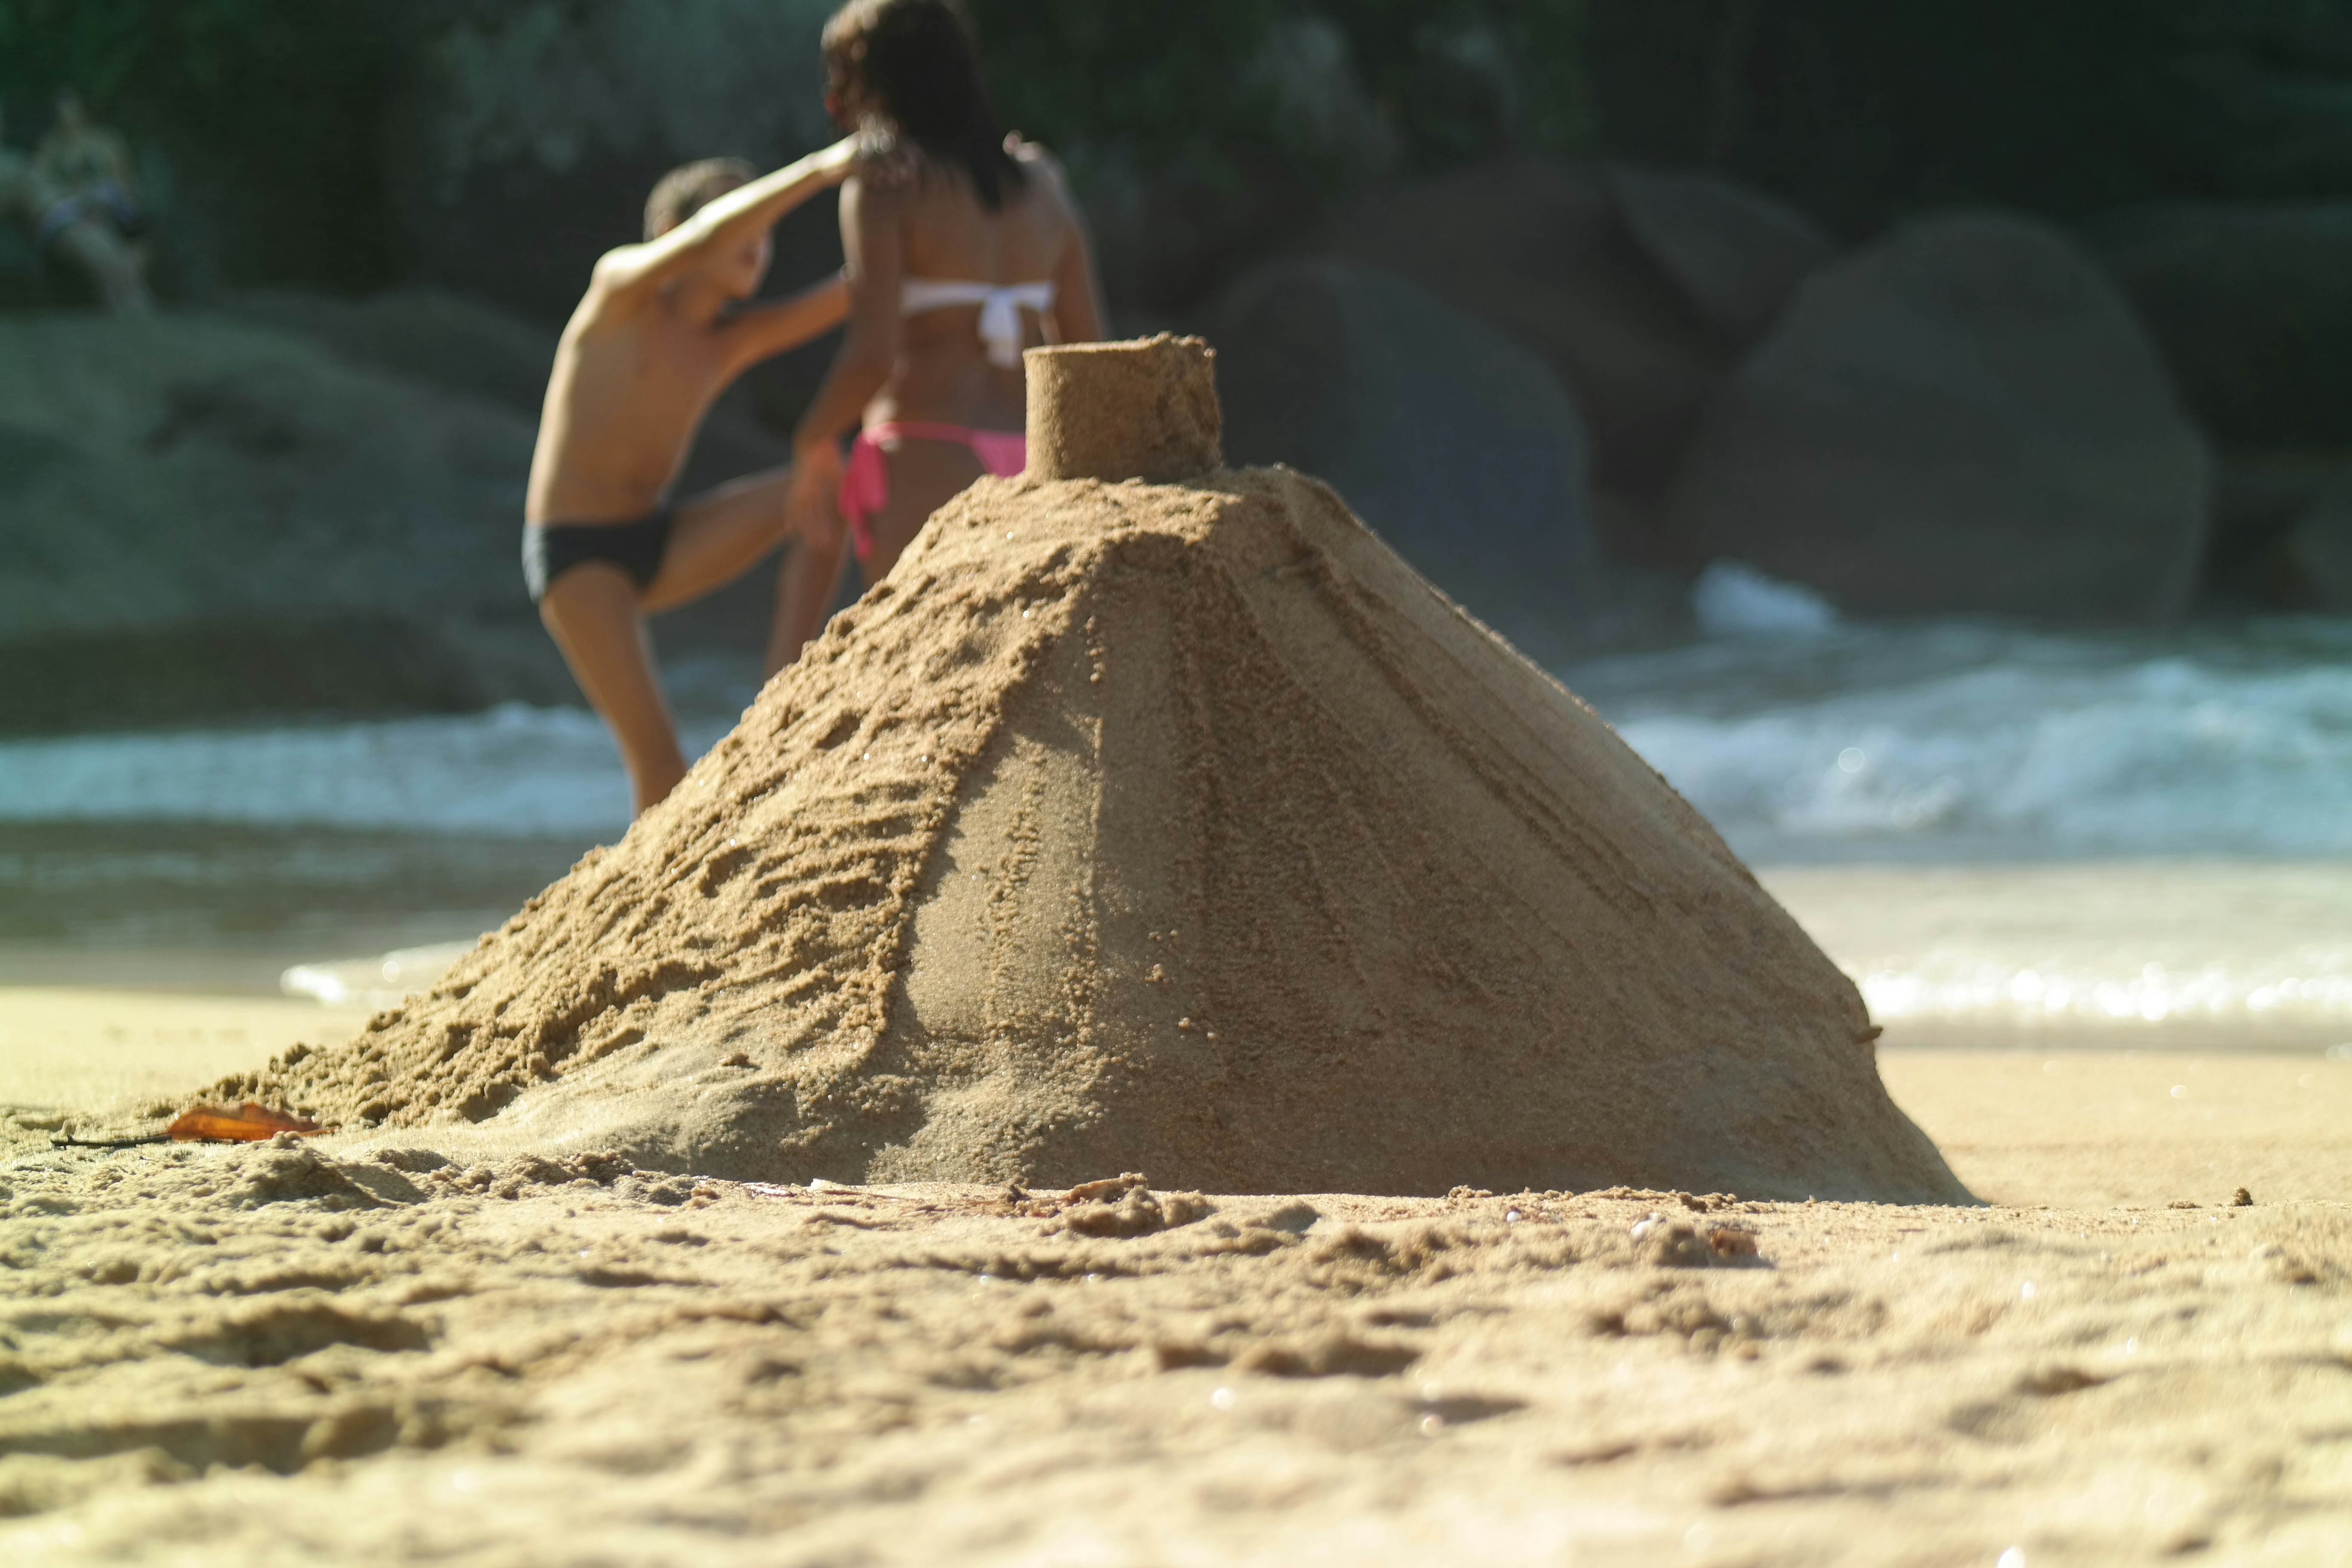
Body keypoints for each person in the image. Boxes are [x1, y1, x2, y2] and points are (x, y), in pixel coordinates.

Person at [527, 142, 857, 818]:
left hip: (662, 536)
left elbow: (862, 289)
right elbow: (709, 231)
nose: (758, 244)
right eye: (744, 225)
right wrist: (826, 169)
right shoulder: (619, 291)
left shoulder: (725, 337)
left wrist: (949, 179)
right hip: (578, 556)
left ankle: (780, 696)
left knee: (833, 487)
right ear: (675, 237)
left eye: (766, 236)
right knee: (662, 770)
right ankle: (636, 917)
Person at [779, 0, 1105, 631]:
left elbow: (873, 353)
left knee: (929, 674)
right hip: (1035, 458)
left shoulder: (886, 189)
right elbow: (1089, 352)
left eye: (840, 74)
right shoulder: (1044, 184)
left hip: (926, 452)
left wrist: (809, 441)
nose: (833, 94)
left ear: (873, 80)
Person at [27, 90, 150, 313]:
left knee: (129, 255)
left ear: (83, 111)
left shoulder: (104, 139)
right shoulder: (51, 145)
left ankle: (136, 310)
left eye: (72, 109)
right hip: (75, 211)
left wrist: (108, 202)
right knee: (105, 256)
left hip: (111, 206)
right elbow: (41, 181)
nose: (67, 116)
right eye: (62, 110)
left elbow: (123, 181)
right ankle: (127, 311)